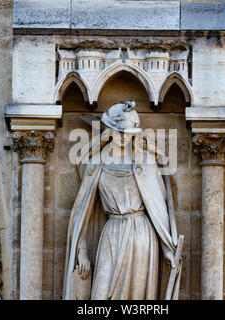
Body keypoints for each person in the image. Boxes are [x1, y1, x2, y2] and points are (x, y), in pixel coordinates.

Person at [63, 101, 179, 300]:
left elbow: (159, 211)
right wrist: (81, 251)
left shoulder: (145, 163)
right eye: (119, 132)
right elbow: (82, 212)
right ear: (109, 131)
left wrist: (168, 249)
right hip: (111, 233)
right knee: (100, 295)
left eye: (129, 133)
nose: (124, 137)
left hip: (141, 236)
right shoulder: (96, 163)